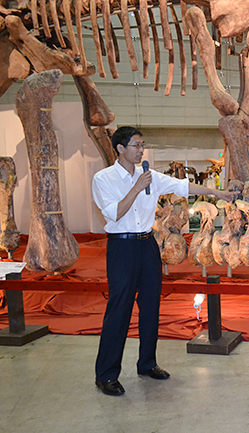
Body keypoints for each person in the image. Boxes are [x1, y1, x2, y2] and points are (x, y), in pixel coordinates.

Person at [92, 126, 232, 397]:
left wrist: (217, 193)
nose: (141, 149)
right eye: (135, 145)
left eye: (142, 144)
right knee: (119, 310)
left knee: (151, 306)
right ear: (120, 149)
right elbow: (113, 214)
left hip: (147, 246)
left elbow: (182, 186)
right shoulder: (103, 178)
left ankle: (147, 363)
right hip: (122, 247)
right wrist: (136, 188)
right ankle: (106, 375)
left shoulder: (150, 176)